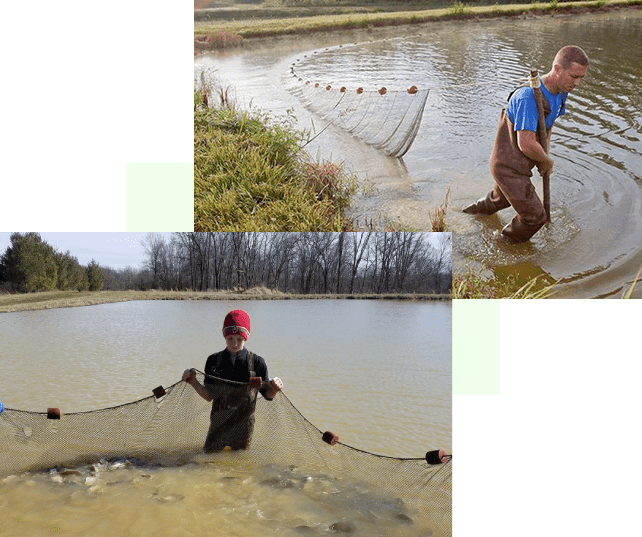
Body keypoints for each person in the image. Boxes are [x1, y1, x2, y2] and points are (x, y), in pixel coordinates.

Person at [463, 45, 589, 242]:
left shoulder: (561, 92)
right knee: (536, 217)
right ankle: (503, 246)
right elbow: (526, 144)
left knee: (500, 199)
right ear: (557, 68)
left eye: (581, 77)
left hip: (521, 164)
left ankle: (466, 215)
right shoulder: (528, 97)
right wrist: (547, 162)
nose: (578, 83)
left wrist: (543, 157)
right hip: (507, 166)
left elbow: (547, 126)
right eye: (574, 76)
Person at [182, 309, 283, 452]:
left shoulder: (258, 362)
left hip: (244, 426)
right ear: (224, 336)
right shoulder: (213, 361)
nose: (235, 344)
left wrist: (275, 388)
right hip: (218, 422)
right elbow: (208, 396)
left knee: (239, 462)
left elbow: (268, 396)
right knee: (208, 457)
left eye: (239, 339)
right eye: (230, 338)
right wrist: (192, 381)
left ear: (246, 338)